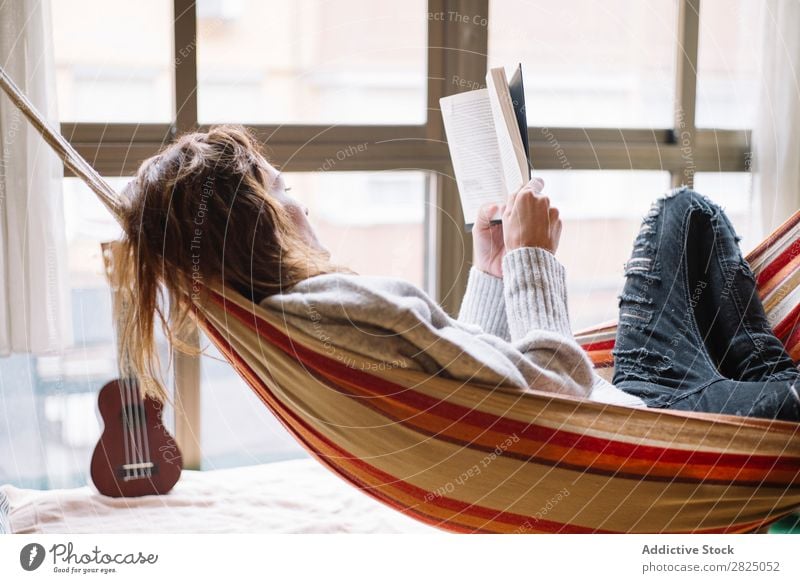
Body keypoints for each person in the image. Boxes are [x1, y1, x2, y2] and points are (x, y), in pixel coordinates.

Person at [115, 124, 799, 422]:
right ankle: (772, 391)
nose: (300, 199)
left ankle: (766, 381)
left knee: (687, 216)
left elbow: (469, 390)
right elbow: (555, 395)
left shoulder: (306, 318)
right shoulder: (339, 306)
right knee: (686, 215)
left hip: (637, 404)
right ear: (260, 219)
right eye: (283, 187)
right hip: (657, 428)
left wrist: (493, 272)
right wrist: (534, 260)